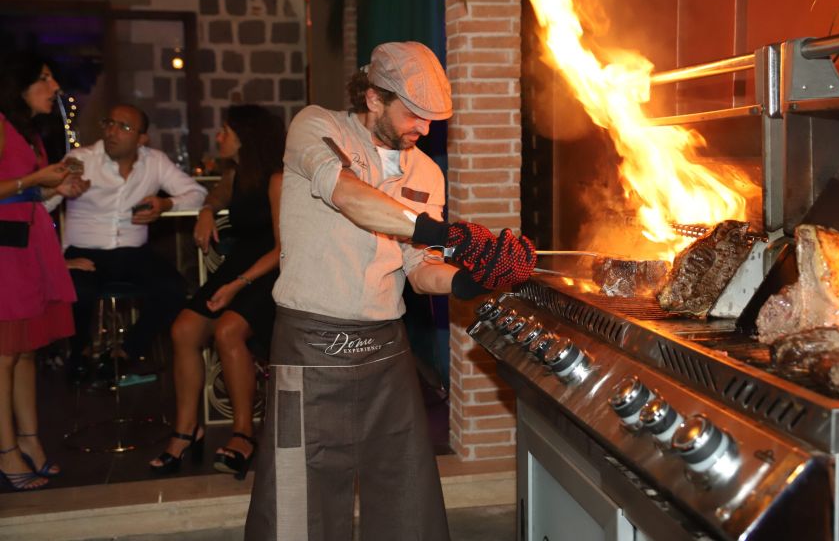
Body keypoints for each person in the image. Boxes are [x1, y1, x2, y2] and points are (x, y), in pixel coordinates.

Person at [244, 41, 536, 540]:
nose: (424, 129)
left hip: (385, 346)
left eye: (432, 119)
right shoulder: (317, 126)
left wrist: (474, 279)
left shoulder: (426, 172)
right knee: (299, 495)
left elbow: (420, 269)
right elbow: (349, 197)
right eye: (414, 114)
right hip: (311, 344)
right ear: (375, 97)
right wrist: (447, 234)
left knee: (406, 492)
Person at [150, 105, 285, 478]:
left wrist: (237, 285)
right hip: (237, 266)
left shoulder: (277, 179)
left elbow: (283, 249)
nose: (218, 137)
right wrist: (207, 212)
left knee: (228, 331)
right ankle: (187, 430)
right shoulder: (237, 173)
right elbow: (215, 196)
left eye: (225, 131)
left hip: (271, 271)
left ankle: (243, 434)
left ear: (246, 137)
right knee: (184, 329)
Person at [45, 104, 207, 380]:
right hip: (85, 251)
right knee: (78, 290)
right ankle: (80, 352)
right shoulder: (81, 159)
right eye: (109, 123)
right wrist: (59, 189)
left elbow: (197, 194)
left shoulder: (155, 161)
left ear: (142, 138)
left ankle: (126, 352)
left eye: (123, 127)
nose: (112, 131)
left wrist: (166, 204)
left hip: (133, 252)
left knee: (174, 289)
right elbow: (44, 205)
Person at [0, 52, 88, 491]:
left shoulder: (27, 131)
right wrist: (35, 180)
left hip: (28, 245)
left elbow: (24, 194)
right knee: (5, 354)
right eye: (45, 79)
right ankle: (6, 451)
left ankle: (30, 440)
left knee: (26, 350)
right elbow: (13, 188)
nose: (54, 88)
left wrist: (58, 186)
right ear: (19, 85)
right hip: (5, 250)